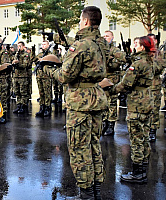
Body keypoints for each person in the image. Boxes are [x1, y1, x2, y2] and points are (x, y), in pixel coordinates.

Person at [44, 6, 108, 199]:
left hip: (80, 102)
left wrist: (46, 68)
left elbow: (64, 76)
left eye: (81, 20)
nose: (80, 23)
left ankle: (86, 194)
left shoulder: (80, 46)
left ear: (86, 21)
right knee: (94, 145)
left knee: (79, 149)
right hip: (96, 98)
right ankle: (95, 190)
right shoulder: (102, 43)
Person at [111, 36, 154, 184]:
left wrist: (111, 89)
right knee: (144, 137)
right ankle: (143, 169)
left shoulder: (137, 64)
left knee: (136, 138)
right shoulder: (149, 60)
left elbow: (125, 84)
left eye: (137, 44)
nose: (134, 46)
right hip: (147, 100)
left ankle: (138, 174)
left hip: (137, 103)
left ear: (142, 47)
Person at [102, 30, 126, 136]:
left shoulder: (115, 50)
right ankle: (104, 123)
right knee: (103, 102)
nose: (105, 38)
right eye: (104, 36)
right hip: (102, 80)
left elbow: (118, 63)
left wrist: (110, 61)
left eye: (107, 36)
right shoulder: (101, 49)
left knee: (111, 102)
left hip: (112, 80)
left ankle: (111, 125)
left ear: (112, 38)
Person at [147, 33, 164, 141]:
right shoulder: (145, 53)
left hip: (154, 86)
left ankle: (152, 130)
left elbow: (158, 68)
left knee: (154, 109)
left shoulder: (159, 54)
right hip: (144, 86)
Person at [33, 40, 53, 117]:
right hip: (39, 76)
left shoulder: (50, 55)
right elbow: (34, 60)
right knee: (41, 92)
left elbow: (53, 63)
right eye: (42, 44)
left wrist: (44, 61)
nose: (43, 46)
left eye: (44, 44)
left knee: (47, 92)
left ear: (48, 45)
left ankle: (48, 108)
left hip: (46, 76)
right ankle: (42, 107)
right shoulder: (40, 54)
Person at [12, 41, 31, 114]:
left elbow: (25, 65)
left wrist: (18, 64)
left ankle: (24, 105)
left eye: (20, 46)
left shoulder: (26, 55)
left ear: (23, 47)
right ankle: (19, 105)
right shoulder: (16, 55)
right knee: (17, 92)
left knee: (23, 92)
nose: (18, 47)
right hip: (16, 76)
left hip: (23, 76)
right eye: (18, 46)